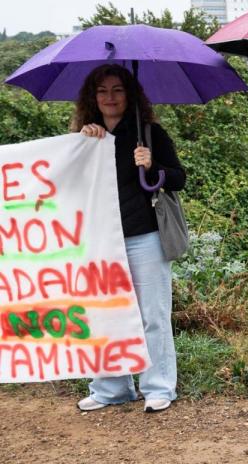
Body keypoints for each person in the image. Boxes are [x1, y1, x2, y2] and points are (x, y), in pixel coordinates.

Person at [72, 63, 186, 413]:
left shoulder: (149, 133)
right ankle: (110, 388)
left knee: (152, 314)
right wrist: (83, 145)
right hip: (101, 240)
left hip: (145, 236)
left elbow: (179, 178)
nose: (110, 97)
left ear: (130, 94)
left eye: (117, 90)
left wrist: (153, 166)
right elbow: (70, 184)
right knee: (105, 314)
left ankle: (158, 387)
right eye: (102, 91)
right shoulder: (84, 138)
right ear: (93, 97)